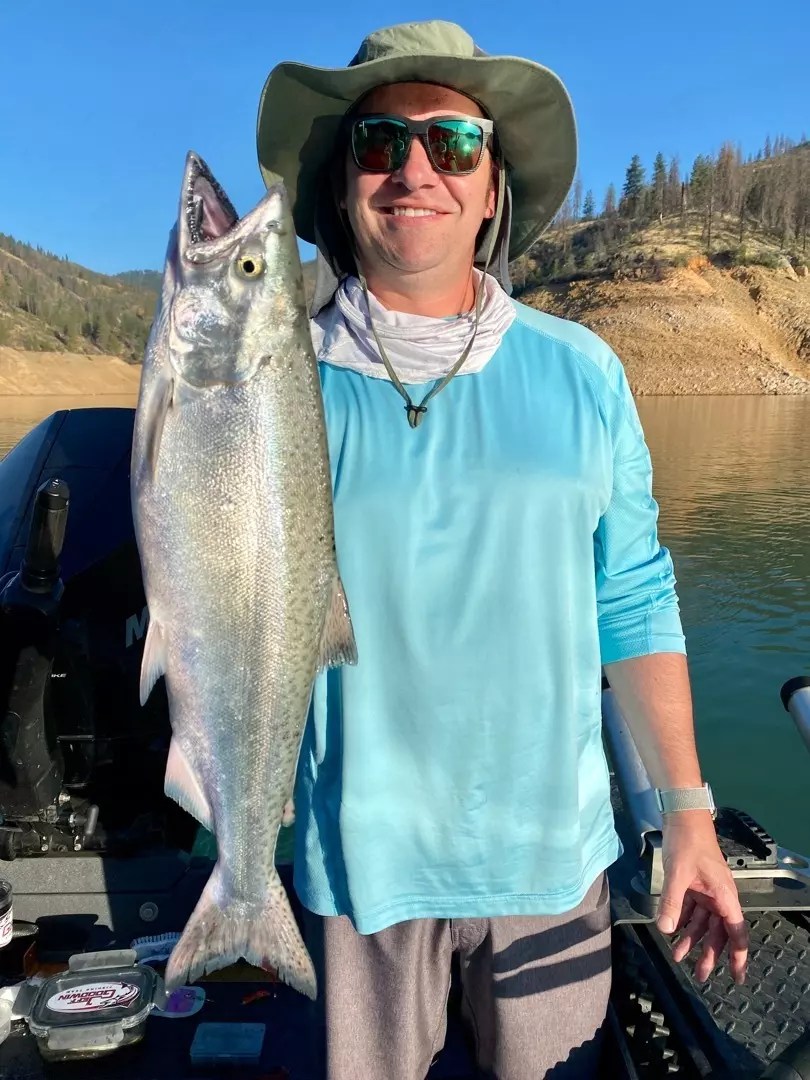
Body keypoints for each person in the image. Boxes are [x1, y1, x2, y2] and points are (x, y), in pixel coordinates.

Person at [256, 20, 749, 1079]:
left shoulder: (585, 371)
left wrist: (689, 813)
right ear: (343, 186)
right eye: (380, 143)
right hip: (360, 869)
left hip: (552, 862)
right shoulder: (268, 384)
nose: (414, 170)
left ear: (493, 189)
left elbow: (632, 598)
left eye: (453, 146)